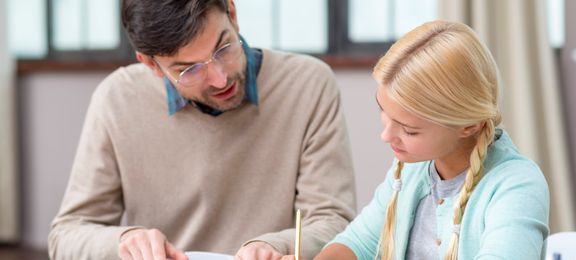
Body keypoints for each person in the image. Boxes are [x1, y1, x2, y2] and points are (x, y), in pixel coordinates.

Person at [48, 0, 356, 259]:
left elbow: (333, 220)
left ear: (232, 14)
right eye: (188, 69)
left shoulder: (308, 83)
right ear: (152, 65)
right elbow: (67, 234)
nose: (219, 79)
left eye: (223, 48)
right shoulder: (117, 98)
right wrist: (126, 241)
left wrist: (276, 245)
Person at [314, 20, 549, 260]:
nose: (385, 136)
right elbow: (358, 243)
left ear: (469, 125)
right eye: (382, 110)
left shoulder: (517, 185)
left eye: (409, 130)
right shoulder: (408, 171)